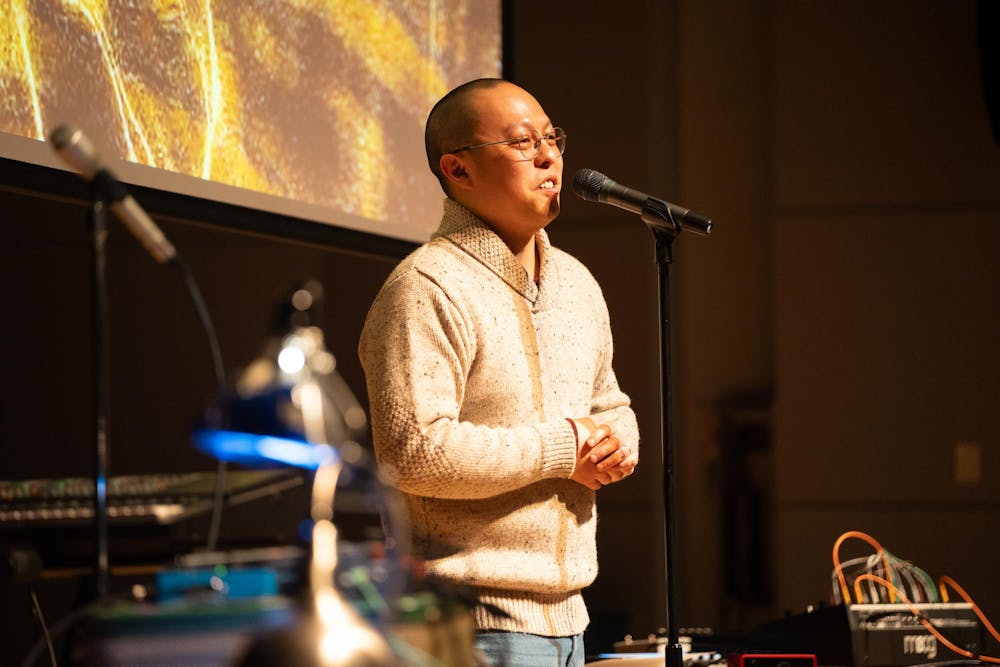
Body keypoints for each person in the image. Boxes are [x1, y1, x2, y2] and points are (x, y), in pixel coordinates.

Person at [358, 78, 639, 666]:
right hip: (470, 621)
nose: (548, 157)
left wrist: (617, 444)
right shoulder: (424, 286)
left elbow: (609, 403)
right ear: (457, 171)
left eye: (552, 138)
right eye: (521, 143)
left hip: (572, 617)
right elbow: (413, 450)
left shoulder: (576, 282)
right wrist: (565, 449)